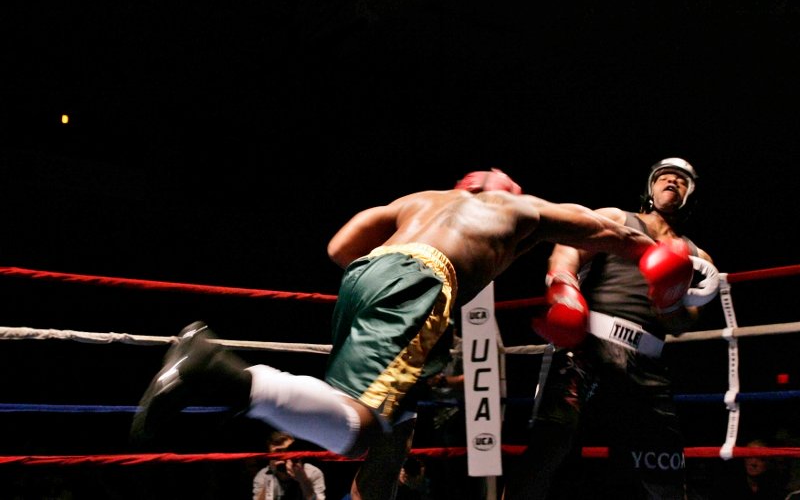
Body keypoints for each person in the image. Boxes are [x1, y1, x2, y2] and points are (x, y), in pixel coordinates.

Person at [130, 168, 695, 500]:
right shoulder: (524, 208)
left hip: (366, 276)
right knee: (359, 424)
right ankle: (223, 372)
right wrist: (667, 267)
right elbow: (610, 232)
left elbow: (340, 247)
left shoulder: (420, 200)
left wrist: (395, 270)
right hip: (424, 283)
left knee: (390, 435)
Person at [502, 158, 720, 499]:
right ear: (650, 187)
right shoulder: (618, 219)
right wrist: (564, 287)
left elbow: (682, 323)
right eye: (665, 177)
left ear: (690, 194)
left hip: (646, 367)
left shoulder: (699, 258)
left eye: (681, 181)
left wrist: (669, 302)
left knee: (663, 473)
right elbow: (569, 248)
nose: (672, 182)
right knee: (548, 448)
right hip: (588, 350)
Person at [252, 431, 326, 500]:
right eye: (278, 452)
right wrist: (271, 474)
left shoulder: (312, 472)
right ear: (270, 455)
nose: (284, 455)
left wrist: (303, 480)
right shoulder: (263, 475)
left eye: (288, 450)